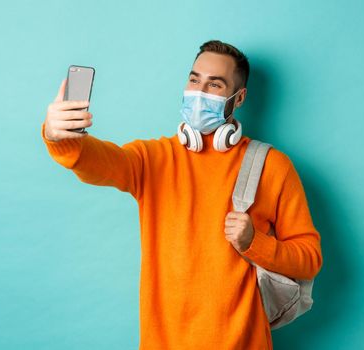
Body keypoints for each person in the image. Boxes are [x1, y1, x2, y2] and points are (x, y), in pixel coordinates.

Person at [41, 40, 323, 350]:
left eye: (214, 84)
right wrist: (60, 138)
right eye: (194, 80)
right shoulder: (153, 159)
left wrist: (254, 242)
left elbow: (309, 258)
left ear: (238, 98)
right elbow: (97, 162)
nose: (199, 92)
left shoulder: (272, 166)